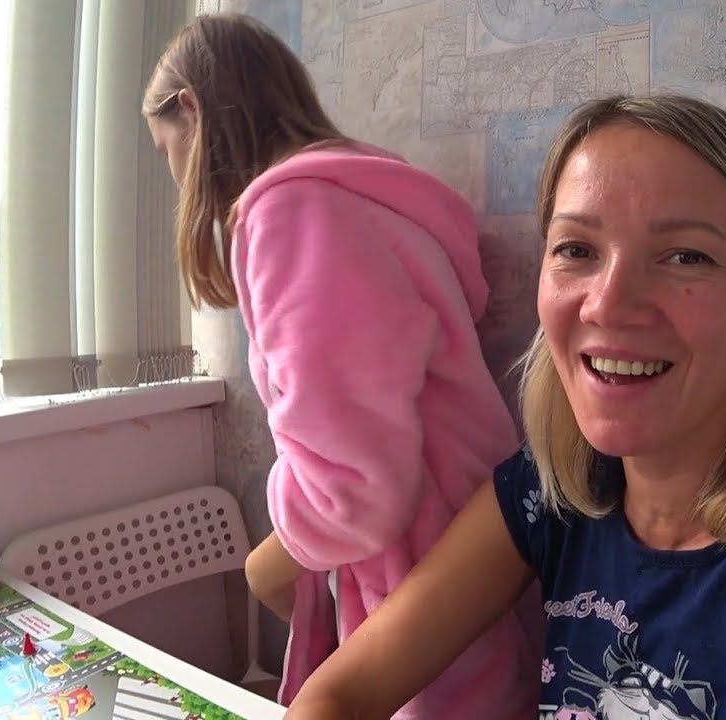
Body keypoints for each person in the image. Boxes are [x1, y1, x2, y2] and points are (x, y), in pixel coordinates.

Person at [283, 93, 726, 720]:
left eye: (685, 256)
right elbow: (338, 696)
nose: (608, 304)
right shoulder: (548, 498)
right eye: (576, 249)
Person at [140, 13, 538, 717]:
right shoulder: (369, 196)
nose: (175, 175)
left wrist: (273, 554)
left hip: (421, 569)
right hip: (469, 539)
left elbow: (353, 488)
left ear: (192, 111)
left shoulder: (293, 214)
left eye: (166, 147)